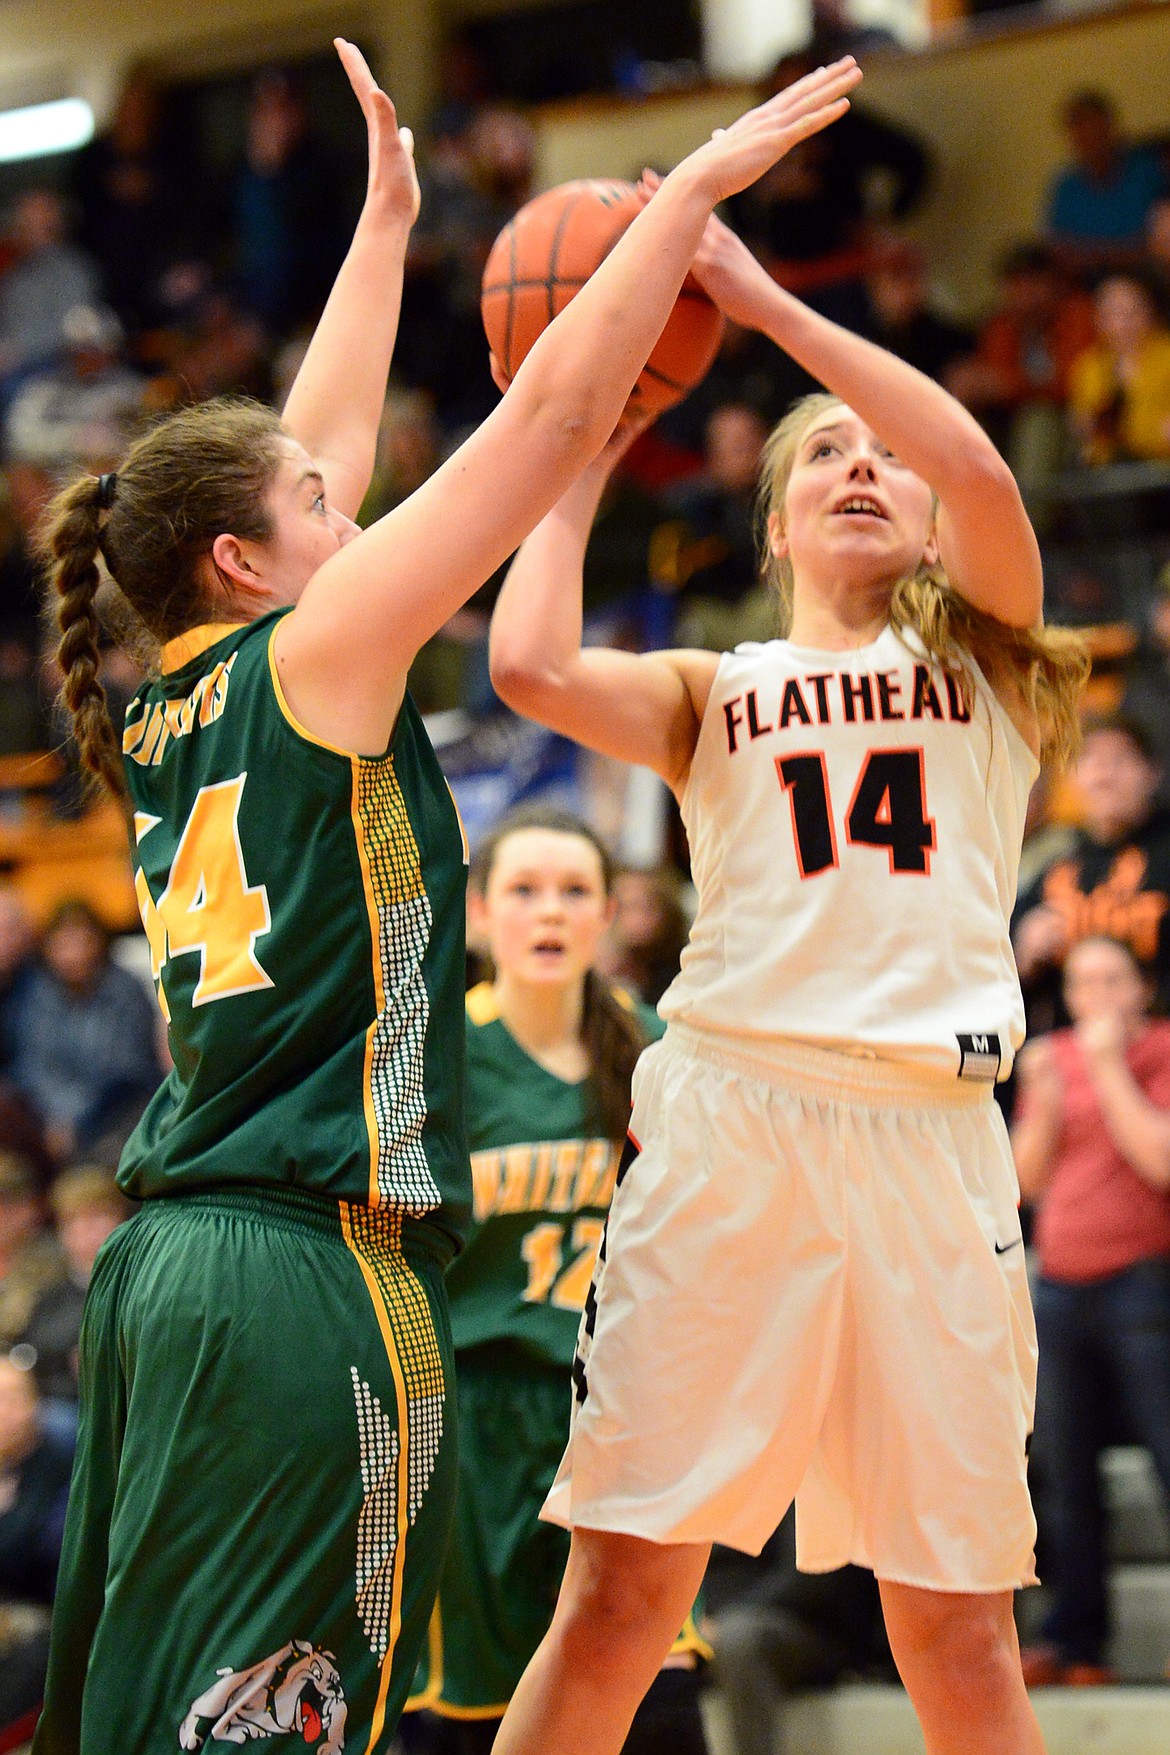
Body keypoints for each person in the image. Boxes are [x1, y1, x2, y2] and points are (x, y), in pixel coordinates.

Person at [30, 43, 865, 1755]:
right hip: (288, 1271)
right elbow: (548, 422)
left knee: (150, 1716)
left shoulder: (182, 680)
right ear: (251, 563)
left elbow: (302, 447)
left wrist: (384, 229)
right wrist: (689, 196)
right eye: (325, 507)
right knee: (275, 1721)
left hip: (180, 1263)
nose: (356, 498)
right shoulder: (322, 648)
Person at [486, 193, 1088, 1755]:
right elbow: (527, 662)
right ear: (767, 527)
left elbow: (972, 463)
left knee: (955, 1624)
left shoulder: (990, 664)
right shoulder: (713, 685)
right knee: (621, 1591)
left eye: (879, 449)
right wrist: (587, 436)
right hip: (734, 1128)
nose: (863, 465)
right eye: (820, 453)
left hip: (926, 1138)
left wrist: (766, 306)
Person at [405, 806, 708, 1755]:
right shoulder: (432, 1058)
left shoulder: (658, 1047)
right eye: (523, 890)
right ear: (481, 915)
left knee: (654, 1693)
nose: (549, 911)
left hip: (623, 1416)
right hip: (478, 1421)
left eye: (574, 891)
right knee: (482, 1710)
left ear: (610, 912)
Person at [1011, 934, 1170, 1685]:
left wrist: (1106, 1065)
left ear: (1141, 988)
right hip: (1061, 1287)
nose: (1097, 995)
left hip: (1142, 1280)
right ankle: (1077, 1643)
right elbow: (1024, 1181)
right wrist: (1042, 1099)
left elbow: (1160, 1158)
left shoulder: (1161, 1049)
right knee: (1062, 1470)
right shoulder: (1053, 1059)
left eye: (1113, 979)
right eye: (1082, 982)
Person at [1013, 713, 1170, 1031]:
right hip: (1070, 1056)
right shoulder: (1056, 864)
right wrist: (1024, 949)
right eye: (1090, 760)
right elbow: (1006, 967)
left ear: (1153, 774)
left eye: (1119, 760)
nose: (1104, 775)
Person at [1066, 269, 1170, 464]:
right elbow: (1087, 428)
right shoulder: (1089, 366)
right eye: (1113, 313)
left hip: (1160, 471)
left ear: (1150, 312)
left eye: (1132, 312)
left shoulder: (1166, 356)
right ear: (1098, 319)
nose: (1123, 324)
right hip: (1108, 472)